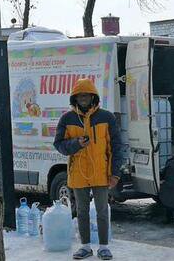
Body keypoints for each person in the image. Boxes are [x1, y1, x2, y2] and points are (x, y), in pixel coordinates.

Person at [53, 78, 124, 260]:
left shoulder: (106, 117)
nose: (83, 98)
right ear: (74, 98)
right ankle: (85, 246)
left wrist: (115, 173)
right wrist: (75, 144)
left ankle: (103, 247)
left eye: (86, 95)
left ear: (93, 96)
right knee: (81, 211)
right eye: (79, 95)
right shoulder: (67, 118)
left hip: (101, 172)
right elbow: (59, 145)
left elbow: (116, 146)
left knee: (102, 210)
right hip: (78, 173)